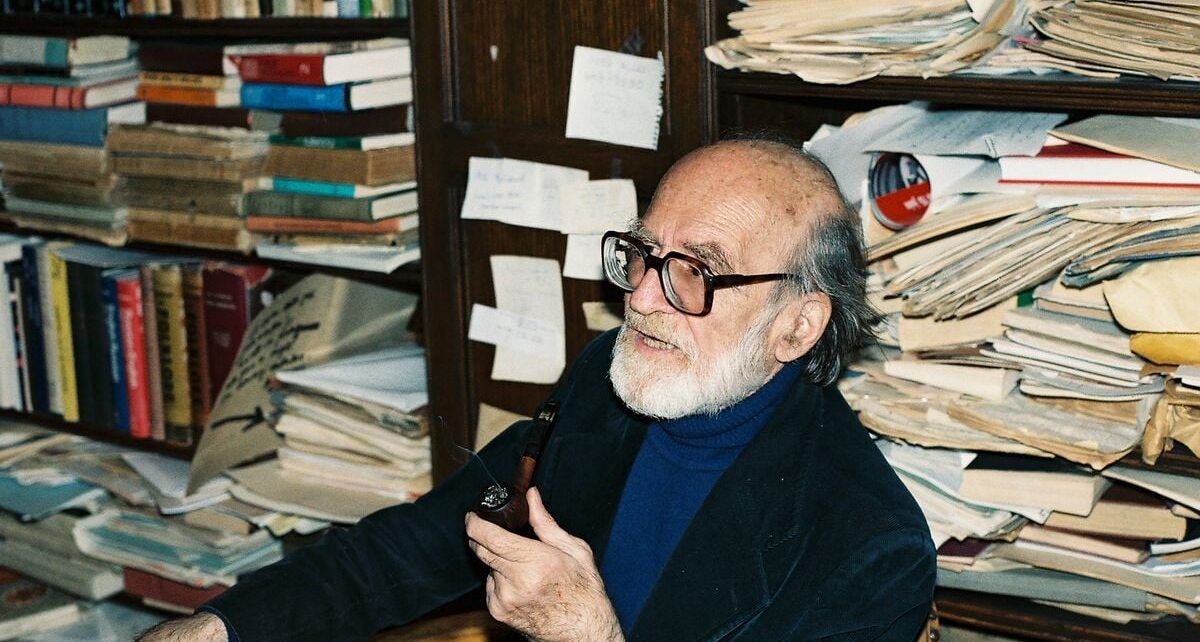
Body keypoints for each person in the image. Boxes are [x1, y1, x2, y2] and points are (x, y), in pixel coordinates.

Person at [139, 137, 935, 642]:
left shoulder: (868, 550)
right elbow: (435, 536)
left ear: (797, 327)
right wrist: (223, 626)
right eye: (643, 254)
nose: (642, 297)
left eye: (695, 271)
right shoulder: (609, 385)